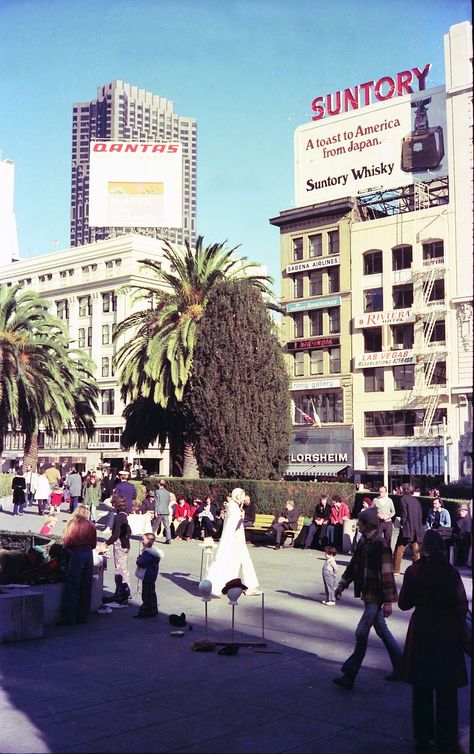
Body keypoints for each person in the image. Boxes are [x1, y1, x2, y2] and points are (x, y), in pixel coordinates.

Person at [398, 530, 468, 754]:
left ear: (423, 548)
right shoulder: (451, 573)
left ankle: (423, 735)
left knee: (422, 686)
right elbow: (461, 606)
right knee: (446, 688)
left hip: (422, 631)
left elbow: (404, 604)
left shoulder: (414, 571)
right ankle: (446, 737)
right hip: (446, 633)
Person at [332, 506, 402, 690]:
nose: (357, 525)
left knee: (361, 632)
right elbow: (354, 565)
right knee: (383, 632)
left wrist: (388, 602)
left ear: (366, 524)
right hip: (368, 594)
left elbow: (387, 574)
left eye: (359, 523)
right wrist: (342, 585)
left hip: (377, 597)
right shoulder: (364, 541)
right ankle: (402, 667)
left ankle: (350, 673)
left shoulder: (380, 544)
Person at [206, 487, 260, 596]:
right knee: (240, 561)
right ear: (237, 496)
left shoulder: (234, 506)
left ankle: (247, 586)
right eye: (242, 495)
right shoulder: (234, 507)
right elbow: (233, 525)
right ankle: (246, 586)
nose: (243, 498)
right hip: (235, 540)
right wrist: (241, 517)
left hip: (237, 539)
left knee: (241, 561)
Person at [60, 504, 97, 625]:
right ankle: (83, 617)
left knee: (73, 585)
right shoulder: (91, 525)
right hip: (88, 553)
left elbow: (67, 542)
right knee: (86, 585)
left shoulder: (72, 525)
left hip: (76, 553)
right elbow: (94, 544)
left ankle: (70, 617)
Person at [393, 483, 425, 575]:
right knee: (415, 549)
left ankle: (396, 570)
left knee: (399, 548)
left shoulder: (403, 499)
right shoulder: (416, 501)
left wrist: (402, 524)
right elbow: (420, 514)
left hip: (407, 528)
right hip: (416, 527)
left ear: (404, 490)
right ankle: (417, 569)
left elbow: (404, 514)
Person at [103, 494, 131, 591]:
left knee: (120, 570)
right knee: (123, 569)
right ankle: (126, 591)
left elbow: (116, 535)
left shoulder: (119, 517)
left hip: (120, 545)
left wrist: (106, 543)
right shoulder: (125, 515)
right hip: (126, 544)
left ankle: (122, 592)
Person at [134, 532, 163, 619]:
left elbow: (142, 563)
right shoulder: (154, 552)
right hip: (152, 576)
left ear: (149, 541)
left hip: (147, 576)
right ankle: (153, 610)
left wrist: (138, 560)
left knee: (146, 595)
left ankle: (145, 612)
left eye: (143, 539)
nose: (142, 541)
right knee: (152, 593)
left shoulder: (148, 553)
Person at [152, 479, 172, 544]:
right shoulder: (168, 492)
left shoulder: (157, 492)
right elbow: (168, 502)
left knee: (155, 525)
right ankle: (168, 539)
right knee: (167, 526)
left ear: (159, 484)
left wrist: (155, 511)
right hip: (165, 510)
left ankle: (150, 538)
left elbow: (156, 502)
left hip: (159, 510)